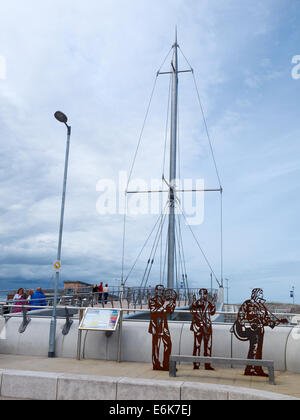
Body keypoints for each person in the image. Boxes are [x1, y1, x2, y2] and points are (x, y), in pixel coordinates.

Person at [231, 288, 288, 377]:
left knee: (258, 350)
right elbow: (240, 318)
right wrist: (250, 323)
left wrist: (279, 321)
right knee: (254, 349)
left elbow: (268, 320)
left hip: (260, 332)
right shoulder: (247, 304)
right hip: (251, 332)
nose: (262, 297)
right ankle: (251, 369)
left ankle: (257, 369)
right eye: (260, 295)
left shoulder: (262, 307)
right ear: (255, 295)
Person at [148, 285, 177, 371]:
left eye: (162, 290)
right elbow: (153, 311)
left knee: (168, 344)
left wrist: (172, 304)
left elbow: (170, 311)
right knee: (156, 346)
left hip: (164, 326)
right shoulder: (152, 300)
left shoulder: (165, 301)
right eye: (159, 290)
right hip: (156, 326)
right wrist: (165, 307)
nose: (161, 292)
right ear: (156, 291)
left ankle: (166, 364)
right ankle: (156, 364)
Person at [189, 288, 216, 370]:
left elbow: (212, 312)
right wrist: (193, 304)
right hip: (197, 326)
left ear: (206, 295)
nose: (202, 295)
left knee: (208, 346)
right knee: (197, 345)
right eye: (201, 293)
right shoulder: (195, 303)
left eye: (204, 294)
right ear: (199, 294)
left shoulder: (209, 303)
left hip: (207, 326)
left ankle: (207, 364)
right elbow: (192, 312)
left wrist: (214, 304)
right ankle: (196, 364)